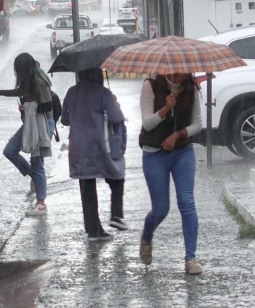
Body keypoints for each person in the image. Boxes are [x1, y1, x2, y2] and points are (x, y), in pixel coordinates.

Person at [138, 73, 203, 275]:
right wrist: (165, 108)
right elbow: (147, 124)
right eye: (178, 68)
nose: (182, 73)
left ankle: (190, 258)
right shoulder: (150, 86)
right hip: (154, 152)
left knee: (186, 201)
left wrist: (178, 134)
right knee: (160, 209)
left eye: (186, 68)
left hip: (182, 151)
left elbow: (197, 123)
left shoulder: (191, 88)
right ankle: (147, 236)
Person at [60, 68, 128, 242]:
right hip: (100, 146)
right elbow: (115, 117)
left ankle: (93, 230)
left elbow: (64, 120)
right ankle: (116, 214)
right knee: (116, 176)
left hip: (79, 147)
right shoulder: (103, 93)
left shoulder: (71, 92)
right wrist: (115, 102)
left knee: (87, 187)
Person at [0, 53, 55, 216]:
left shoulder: (39, 81)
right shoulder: (31, 79)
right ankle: (33, 176)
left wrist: (27, 107)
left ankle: (41, 204)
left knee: (37, 161)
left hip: (42, 124)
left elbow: (47, 107)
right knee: (10, 151)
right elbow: (21, 91)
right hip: (31, 123)